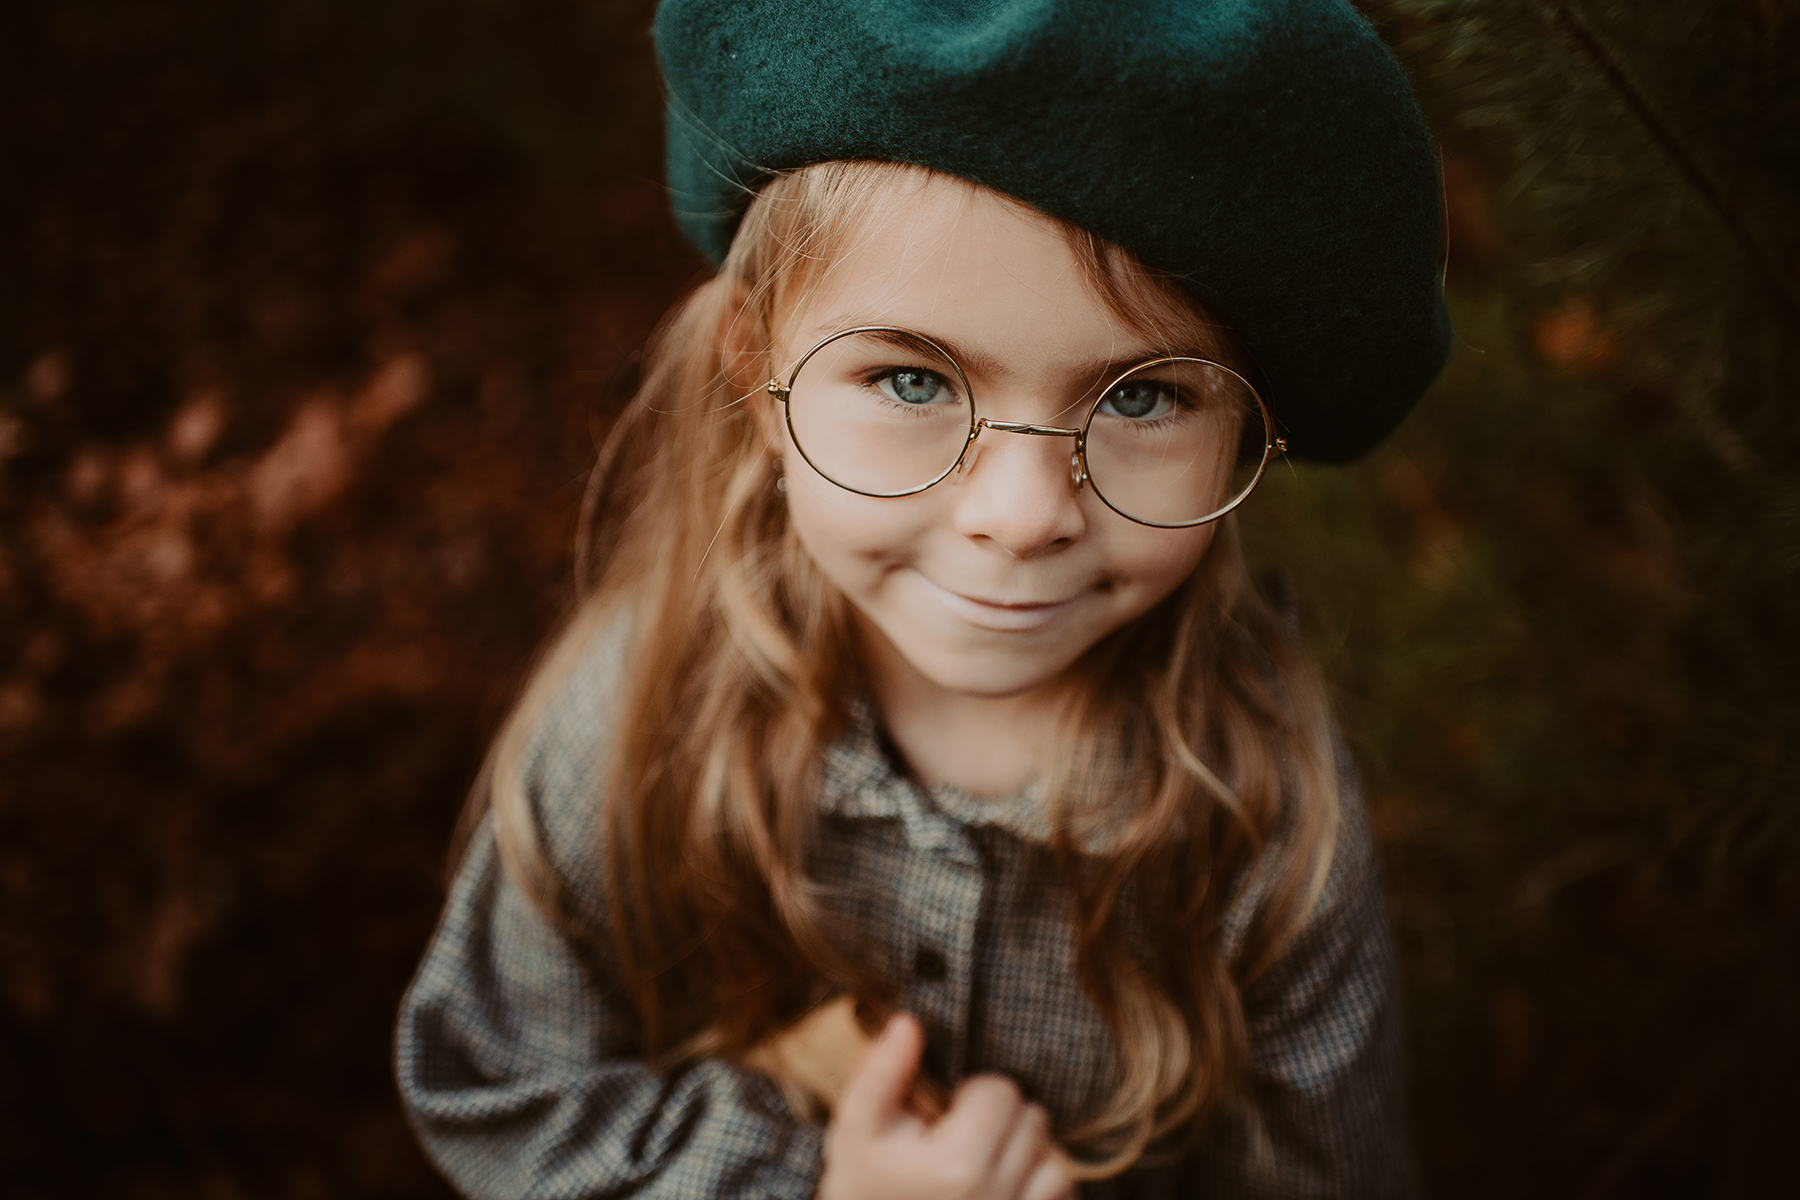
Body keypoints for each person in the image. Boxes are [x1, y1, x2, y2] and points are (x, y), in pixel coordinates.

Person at [395, 1, 1451, 1197]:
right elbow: (499, 1090)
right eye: (910, 380)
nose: (1023, 514)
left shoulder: (1268, 824)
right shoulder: (637, 720)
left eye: (1142, 397)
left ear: (1243, 427)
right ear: (759, 371)